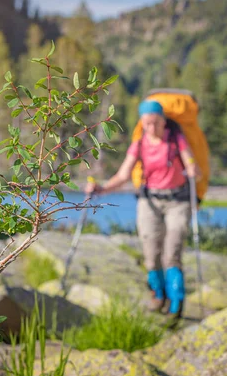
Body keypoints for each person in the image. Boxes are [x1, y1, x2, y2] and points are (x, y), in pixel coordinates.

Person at [86, 100, 201, 319]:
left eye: (156, 123)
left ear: (164, 121)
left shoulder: (177, 140)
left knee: (172, 253)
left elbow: (192, 166)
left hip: (178, 201)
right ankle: (158, 295)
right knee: (151, 253)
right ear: (142, 123)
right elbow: (123, 175)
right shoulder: (139, 145)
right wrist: (101, 189)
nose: (152, 128)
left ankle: (176, 305)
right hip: (149, 202)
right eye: (147, 123)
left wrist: (195, 171)